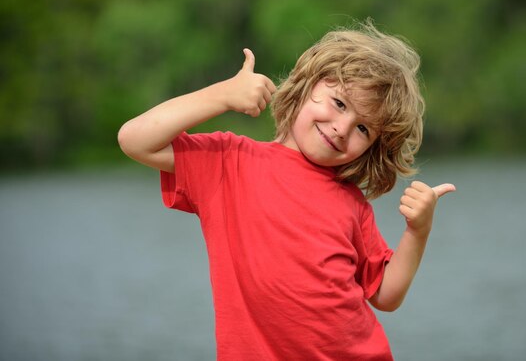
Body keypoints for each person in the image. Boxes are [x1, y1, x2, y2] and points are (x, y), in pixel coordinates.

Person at [118, 20, 455, 360]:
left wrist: (418, 230)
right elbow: (135, 140)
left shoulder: (351, 203)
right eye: (339, 103)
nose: (341, 128)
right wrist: (221, 95)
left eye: (363, 128)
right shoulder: (228, 162)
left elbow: (385, 294)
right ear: (307, 84)